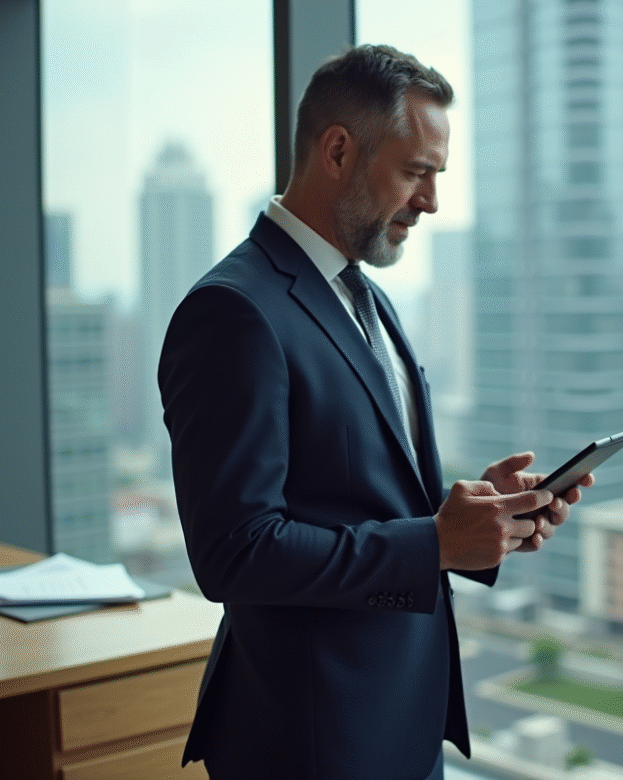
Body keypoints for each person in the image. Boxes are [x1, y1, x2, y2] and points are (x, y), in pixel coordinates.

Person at [158, 44, 592, 780]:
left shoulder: (366, 296)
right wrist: (434, 544)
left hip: (398, 724)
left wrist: (486, 518)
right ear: (337, 150)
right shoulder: (232, 312)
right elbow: (234, 551)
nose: (431, 201)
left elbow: (365, 493)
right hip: (313, 743)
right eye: (416, 172)